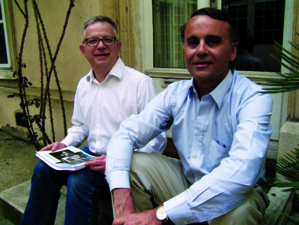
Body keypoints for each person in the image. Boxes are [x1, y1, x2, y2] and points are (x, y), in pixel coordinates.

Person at [105, 7, 273, 225]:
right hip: (187, 182)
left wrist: (160, 215)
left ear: (233, 51)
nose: (200, 50)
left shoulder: (253, 98)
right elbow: (126, 134)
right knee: (130, 163)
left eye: (212, 41)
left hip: (237, 193)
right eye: (193, 42)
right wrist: (122, 200)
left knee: (241, 213)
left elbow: (241, 173)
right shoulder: (176, 93)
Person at [21, 15, 167, 225]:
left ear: (118, 46)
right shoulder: (83, 84)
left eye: (107, 39)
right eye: (93, 41)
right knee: (43, 170)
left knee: (79, 182)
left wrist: (120, 161)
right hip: (91, 156)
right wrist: (64, 144)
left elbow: (157, 140)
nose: (100, 46)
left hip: (125, 163)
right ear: (83, 49)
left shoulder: (140, 83)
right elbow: (79, 126)